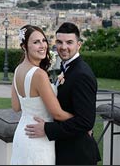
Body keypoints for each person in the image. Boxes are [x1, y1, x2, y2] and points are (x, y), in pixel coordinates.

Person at [24, 22, 101, 165]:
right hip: (67, 151)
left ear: (79, 45)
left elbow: (86, 122)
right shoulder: (68, 68)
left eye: (69, 42)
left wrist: (47, 129)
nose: (63, 47)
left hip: (77, 155)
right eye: (59, 42)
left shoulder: (82, 74)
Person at [10, 25, 74, 165]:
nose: (42, 45)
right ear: (24, 46)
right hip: (39, 137)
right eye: (36, 42)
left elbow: (16, 106)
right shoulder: (39, 74)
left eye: (43, 40)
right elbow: (57, 114)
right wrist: (82, 122)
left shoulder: (18, 70)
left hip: (22, 135)